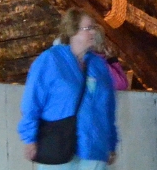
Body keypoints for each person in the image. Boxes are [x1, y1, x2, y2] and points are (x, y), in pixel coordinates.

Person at [18, 9, 119, 170]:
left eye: (94, 28)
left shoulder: (98, 66)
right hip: (59, 147)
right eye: (88, 28)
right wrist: (29, 138)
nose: (93, 32)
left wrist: (111, 142)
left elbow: (108, 108)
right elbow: (32, 101)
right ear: (73, 31)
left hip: (94, 148)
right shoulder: (51, 60)